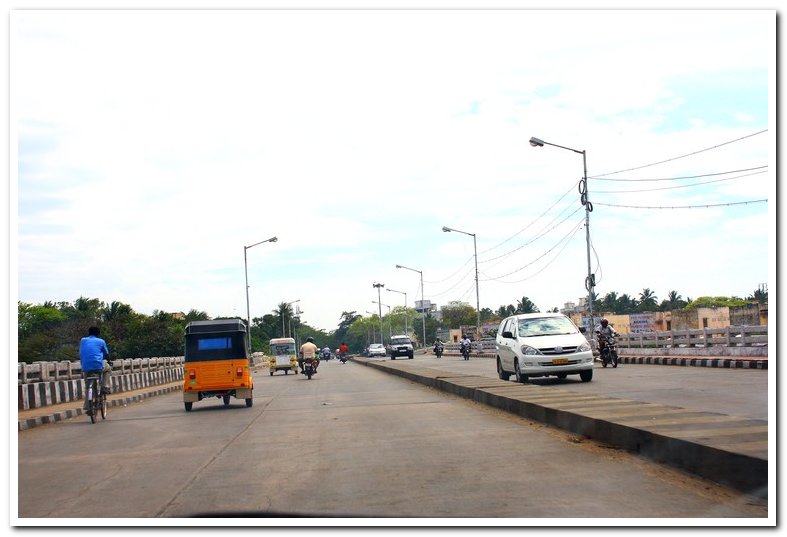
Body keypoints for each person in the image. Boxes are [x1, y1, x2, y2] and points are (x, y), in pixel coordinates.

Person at [79, 326, 112, 410]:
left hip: (85, 366)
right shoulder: (101, 341)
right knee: (108, 369)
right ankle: (105, 386)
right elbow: (107, 354)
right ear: (98, 334)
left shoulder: (83, 340)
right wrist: (109, 361)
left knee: (87, 386)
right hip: (98, 366)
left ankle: (87, 406)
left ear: (88, 333)